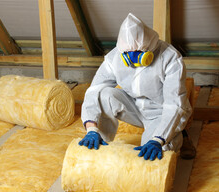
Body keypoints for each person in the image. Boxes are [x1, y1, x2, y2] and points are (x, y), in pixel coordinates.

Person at [79, 13, 192, 161]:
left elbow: (174, 104)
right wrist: (91, 127)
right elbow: (94, 90)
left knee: (153, 155)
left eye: (139, 53)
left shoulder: (170, 58)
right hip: (135, 108)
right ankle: (99, 142)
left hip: (161, 111)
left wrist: (158, 139)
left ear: (150, 46)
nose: (132, 58)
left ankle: (178, 136)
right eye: (127, 53)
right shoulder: (115, 57)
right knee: (103, 94)